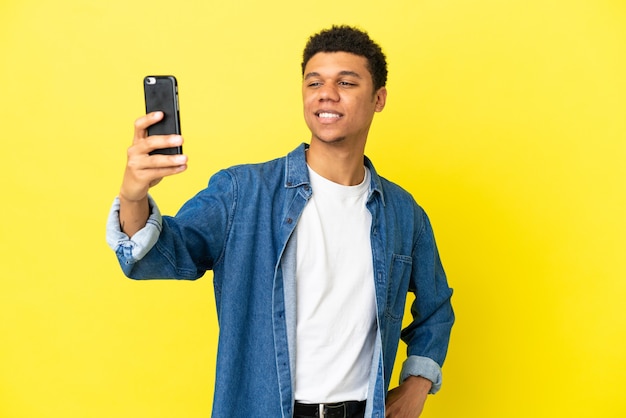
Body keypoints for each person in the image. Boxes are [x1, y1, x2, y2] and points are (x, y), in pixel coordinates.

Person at [107, 25, 454, 418]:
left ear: (378, 99)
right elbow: (158, 257)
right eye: (314, 82)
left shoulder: (403, 213)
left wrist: (417, 386)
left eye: (346, 82)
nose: (326, 93)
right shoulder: (242, 192)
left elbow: (436, 306)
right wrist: (132, 195)